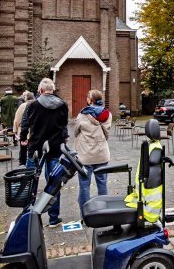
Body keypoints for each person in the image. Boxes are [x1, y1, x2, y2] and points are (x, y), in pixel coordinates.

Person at [20, 78, 69, 227]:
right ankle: (53, 218)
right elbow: (64, 125)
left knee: (31, 181)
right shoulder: (62, 105)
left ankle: (28, 216)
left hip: (35, 148)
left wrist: (23, 138)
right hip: (55, 148)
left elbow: (25, 123)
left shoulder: (32, 105)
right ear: (52, 90)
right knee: (53, 182)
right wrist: (65, 136)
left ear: (40, 90)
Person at [73, 89, 112, 220]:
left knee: (84, 186)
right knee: (102, 184)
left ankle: (85, 215)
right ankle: (104, 211)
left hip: (85, 156)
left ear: (90, 100)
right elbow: (107, 132)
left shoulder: (82, 114)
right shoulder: (108, 114)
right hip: (101, 154)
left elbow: (75, 132)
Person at [13, 91, 35, 166]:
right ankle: (32, 164)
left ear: (26, 98)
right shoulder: (37, 105)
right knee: (32, 149)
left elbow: (17, 119)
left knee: (23, 149)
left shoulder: (22, 106)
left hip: (23, 130)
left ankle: (22, 163)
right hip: (33, 131)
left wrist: (15, 130)